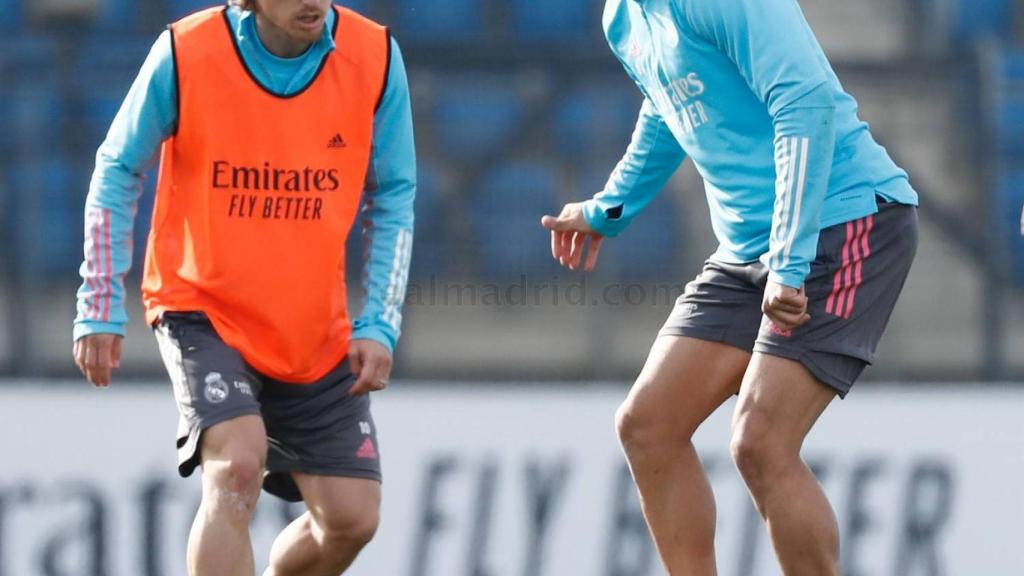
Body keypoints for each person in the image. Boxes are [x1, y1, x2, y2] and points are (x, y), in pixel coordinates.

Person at [542, 1, 917, 574]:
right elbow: (669, 105)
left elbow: (804, 101)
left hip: (845, 220)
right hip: (750, 249)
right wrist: (608, 208)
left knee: (761, 443)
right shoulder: (621, 15)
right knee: (648, 425)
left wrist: (790, 263)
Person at [71, 0, 415, 574]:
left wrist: (379, 321)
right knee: (235, 469)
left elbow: (396, 193)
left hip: (307, 324)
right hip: (200, 305)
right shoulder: (186, 52)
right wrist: (100, 301)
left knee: (352, 518)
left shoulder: (375, 56)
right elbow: (116, 168)